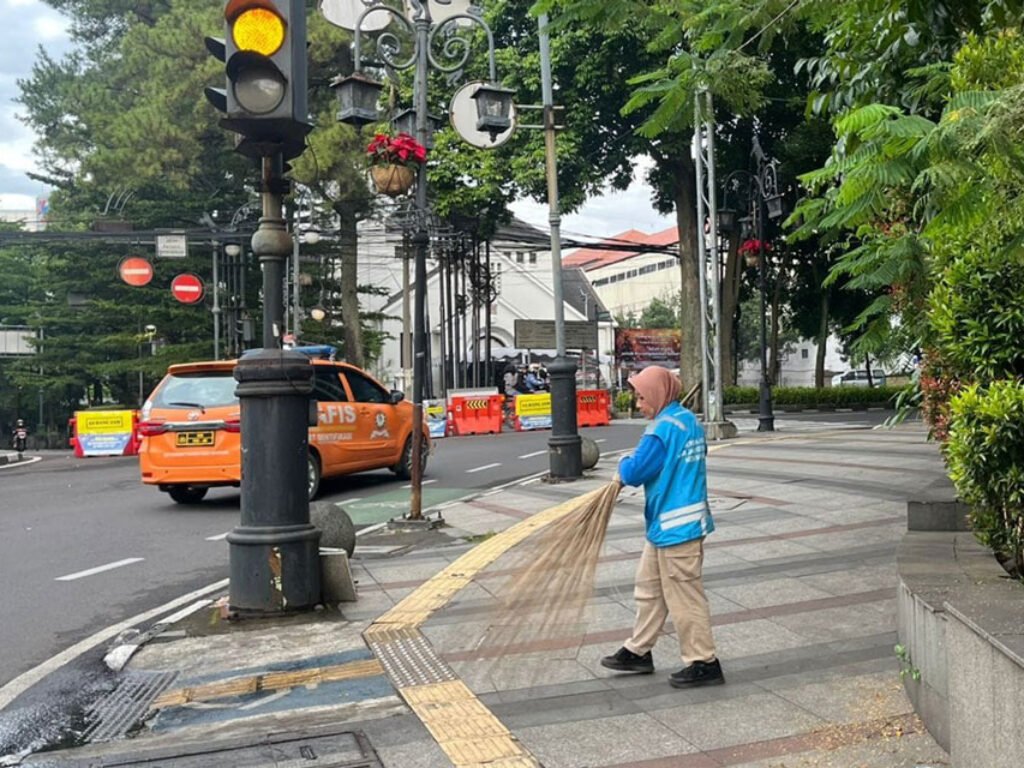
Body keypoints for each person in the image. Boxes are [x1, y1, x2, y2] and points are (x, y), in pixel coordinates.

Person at [601, 365, 724, 688]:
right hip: (670, 526)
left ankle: (704, 661)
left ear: (657, 394)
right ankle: (638, 650)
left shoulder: (661, 430)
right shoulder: (687, 421)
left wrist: (623, 463)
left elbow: (634, 472)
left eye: (642, 397)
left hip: (675, 529)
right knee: (649, 589)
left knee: (685, 597)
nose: (638, 404)